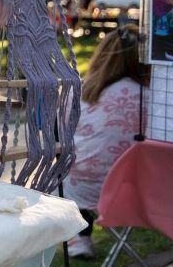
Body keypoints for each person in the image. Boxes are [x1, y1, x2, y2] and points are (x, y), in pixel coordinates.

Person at [63, 24, 149, 258]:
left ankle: (78, 238)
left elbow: (62, 137)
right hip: (134, 190)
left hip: (80, 184)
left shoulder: (79, 92)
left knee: (68, 166)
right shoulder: (152, 97)